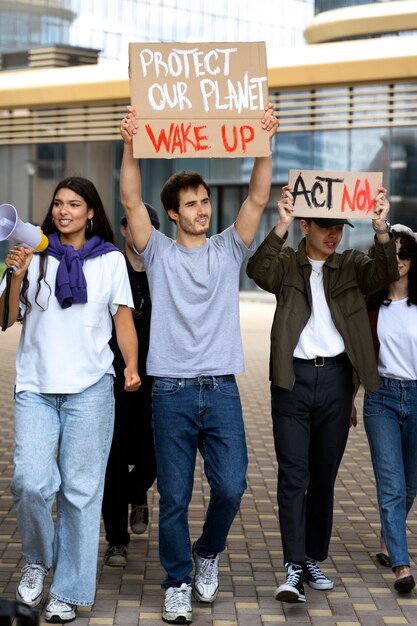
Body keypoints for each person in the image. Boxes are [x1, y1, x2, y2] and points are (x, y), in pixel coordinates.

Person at [119, 103, 278, 624]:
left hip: (222, 388)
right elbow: (128, 197)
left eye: (206, 202)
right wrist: (130, 142)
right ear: (172, 212)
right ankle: (177, 581)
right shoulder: (160, 252)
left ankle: (207, 551)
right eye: (192, 204)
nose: (202, 210)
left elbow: (257, 196)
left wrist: (264, 140)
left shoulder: (229, 249)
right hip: (171, 392)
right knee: (174, 497)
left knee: (232, 486)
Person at [246, 184, 399, 604]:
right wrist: (279, 225)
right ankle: (293, 566)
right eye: (326, 226)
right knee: (294, 476)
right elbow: (257, 272)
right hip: (292, 381)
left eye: (340, 227)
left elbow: (383, 272)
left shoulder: (349, 264)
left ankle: (313, 556)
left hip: (335, 382)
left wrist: (381, 227)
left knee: (324, 478)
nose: (334, 234)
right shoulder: (287, 266)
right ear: (306, 224)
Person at [0, 177, 141, 623]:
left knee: (81, 493)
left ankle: (69, 589)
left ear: (90, 212)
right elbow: (5, 320)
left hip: (91, 389)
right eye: (58, 204)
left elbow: (123, 319)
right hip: (37, 388)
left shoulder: (110, 260)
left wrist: (132, 367)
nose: (64, 211)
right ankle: (39, 561)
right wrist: (16, 274)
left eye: (74, 205)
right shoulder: (33, 255)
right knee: (30, 482)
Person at [102, 208, 159, 567]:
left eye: (148, 227)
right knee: (113, 459)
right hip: (111, 376)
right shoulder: (109, 266)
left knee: (154, 457)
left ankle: (138, 491)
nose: (140, 232)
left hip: (157, 377)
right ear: (124, 228)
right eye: (135, 225)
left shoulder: (161, 270)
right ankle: (116, 541)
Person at [363, 223, 417, 594]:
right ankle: (401, 564)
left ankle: (388, 534)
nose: (397, 260)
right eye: (392, 252)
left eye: (404, 253)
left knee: (411, 484)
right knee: (393, 485)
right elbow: (358, 352)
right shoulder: (371, 303)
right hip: (380, 397)